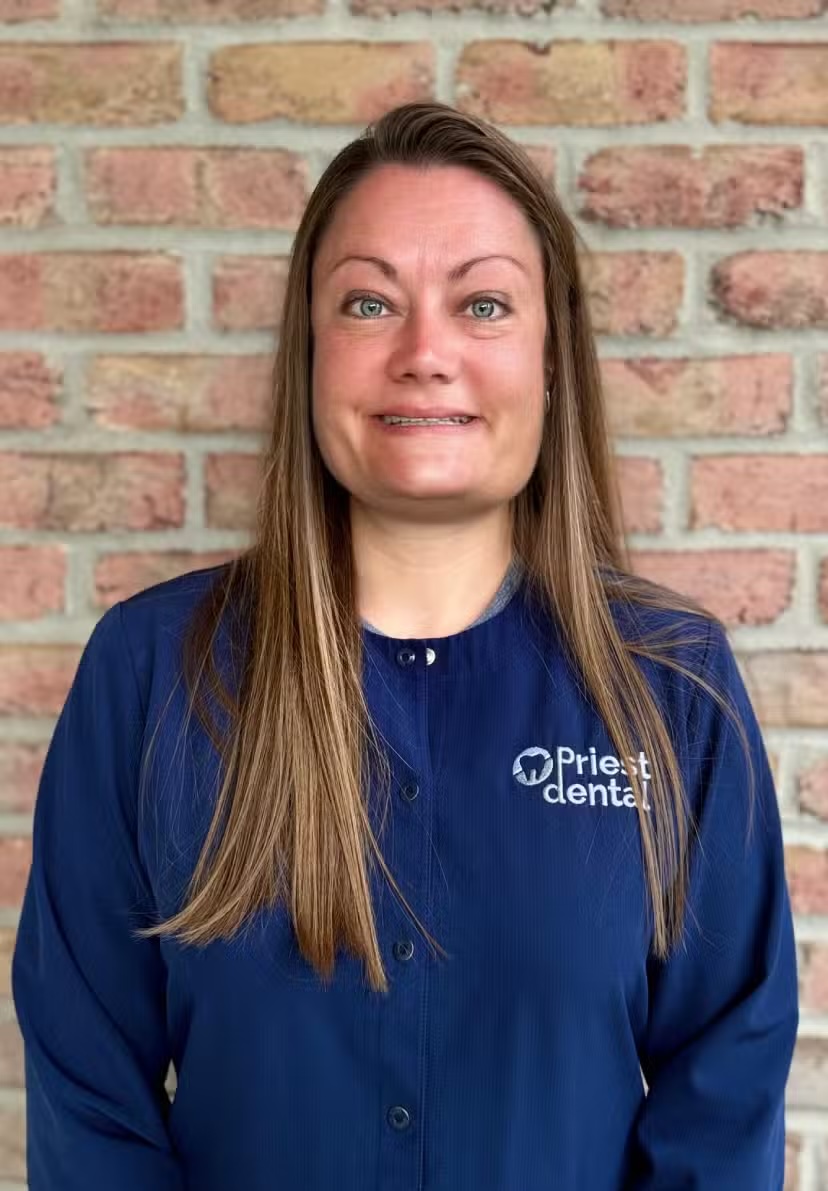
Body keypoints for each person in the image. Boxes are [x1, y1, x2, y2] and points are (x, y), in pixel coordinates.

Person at [12, 100, 798, 1190]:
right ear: (311, 353)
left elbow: (728, 1088)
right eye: (371, 302)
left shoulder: (671, 686)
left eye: (481, 303)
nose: (425, 354)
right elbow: (87, 1097)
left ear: (552, 361)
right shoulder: (151, 676)